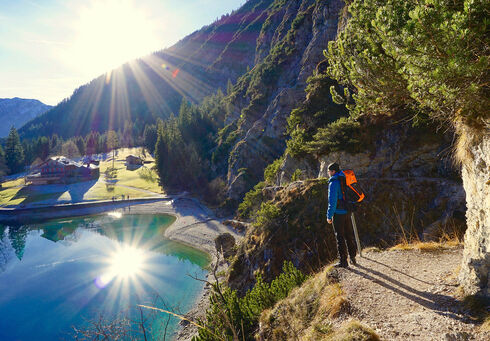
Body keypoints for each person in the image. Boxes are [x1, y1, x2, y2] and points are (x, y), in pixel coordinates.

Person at [326, 162, 357, 268]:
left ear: (333, 171)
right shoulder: (344, 178)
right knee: (349, 235)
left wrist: (329, 216)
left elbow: (332, 201)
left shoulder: (333, 182)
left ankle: (343, 261)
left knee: (340, 237)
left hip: (338, 213)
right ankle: (353, 257)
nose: (328, 173)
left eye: (329, 171)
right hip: (348, 211)